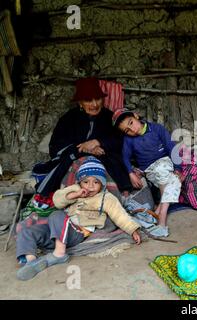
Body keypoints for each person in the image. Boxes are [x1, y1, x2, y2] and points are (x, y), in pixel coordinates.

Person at [16, 157, 141, 281]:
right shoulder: (75, 189)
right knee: (28, 231)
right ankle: (31, 261)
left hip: (76, 232)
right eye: (86, 182)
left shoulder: (106, 198)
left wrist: (132, 230)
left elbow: (120, 215)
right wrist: (75, 195)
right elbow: (57, 200)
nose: (90, 186)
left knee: (57, 215)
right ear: (79, 182)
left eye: (96, 182)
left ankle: (59, 254)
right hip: (57, 232)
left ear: (102, 183)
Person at [34, 77, 133, 198]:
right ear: (80, 102)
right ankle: (71, 197)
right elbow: (56, 147)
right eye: (88, 100)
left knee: (113, 165)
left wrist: (98, 142)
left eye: (97, 99)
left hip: (106, 159)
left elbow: (120, 141)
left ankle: (115, 197)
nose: (95, 104)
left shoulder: (110, 117)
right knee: (71, 165)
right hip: (74, 157)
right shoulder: (69, 119)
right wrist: (86, 150)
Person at [112, 109, 182, 238]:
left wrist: (178, 168)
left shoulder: (157, 129)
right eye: (127, 130)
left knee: (165, 172)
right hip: (149, 170)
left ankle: (161, 220)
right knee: (173, 180)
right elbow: (125, 158)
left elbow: (171, 148)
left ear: (136, 116)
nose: (132, 130)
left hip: (165, 164)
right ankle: (157, 213)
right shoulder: (129, 140)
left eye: (131, 123)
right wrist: (130, 173)